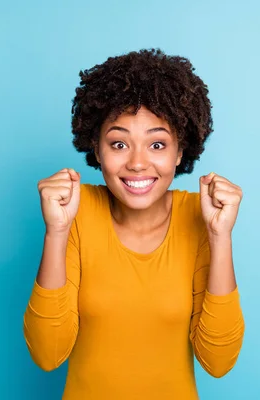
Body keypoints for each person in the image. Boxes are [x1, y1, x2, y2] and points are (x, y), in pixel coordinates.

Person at [23, 48, 245, 399]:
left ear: (180, 152)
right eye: (119, 143)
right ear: (97, 149)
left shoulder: (201, 216)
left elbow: (218, 361)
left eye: (157, 144)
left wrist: (220, 237)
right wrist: (57, 231)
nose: (138, 163)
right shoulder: (76, 211)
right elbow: (47, 354)